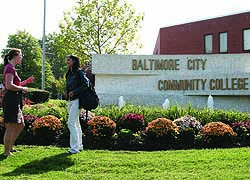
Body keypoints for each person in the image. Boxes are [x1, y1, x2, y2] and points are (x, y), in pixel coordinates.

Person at [2, 48, 34, 157]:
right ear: (15, 56)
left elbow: (15, 84)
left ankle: (10, 147)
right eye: (20, 55)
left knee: (20, 124)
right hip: (11, 99)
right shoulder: (10, 68)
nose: (21, 57)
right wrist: (23, 88)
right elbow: (9, 85)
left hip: (15, 98)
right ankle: (6, 152)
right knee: (11, 125)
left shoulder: (12, 68)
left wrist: (25, 82)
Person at [64, 55, 88, 154]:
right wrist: (66, 91)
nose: (67, 61)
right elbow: (69, 85)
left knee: (71, 123)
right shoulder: (69, 74)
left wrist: (75, 91)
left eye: (69, 59)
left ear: (74, 61)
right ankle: (79, 146)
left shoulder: (79, 72)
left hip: (77, 100)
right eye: (67, 60)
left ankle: (74, 149)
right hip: (70, 100)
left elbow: (86, 84)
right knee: (76, 123)